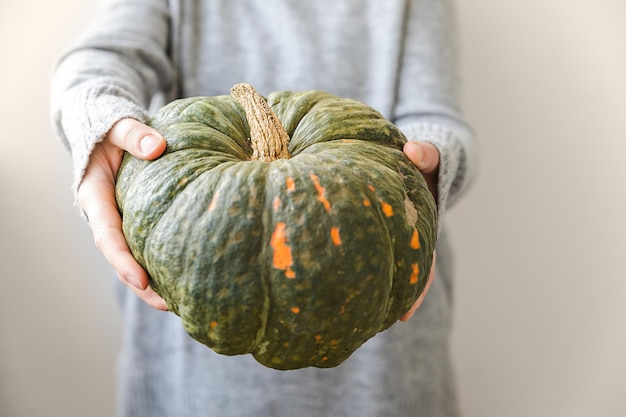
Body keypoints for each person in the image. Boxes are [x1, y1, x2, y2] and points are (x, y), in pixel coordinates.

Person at [51, 0, 476, 416]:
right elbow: (100, 59)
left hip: (381, 358)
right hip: (198, 365)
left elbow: (434, 115)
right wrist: (102, 121)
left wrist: (425, 173)